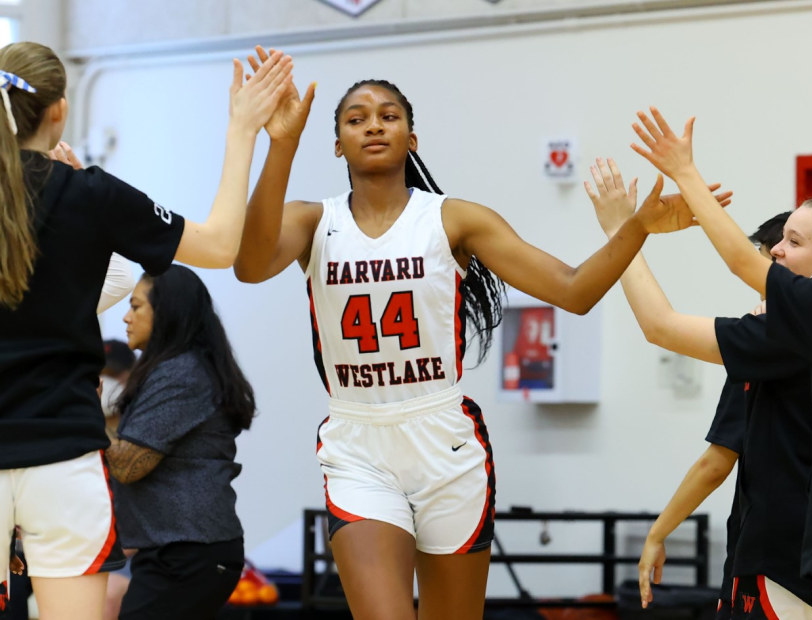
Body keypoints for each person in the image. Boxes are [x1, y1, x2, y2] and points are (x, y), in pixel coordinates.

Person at [232, 47, 713, 620]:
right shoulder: (313, 221)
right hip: (358, 442)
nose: (374, 125)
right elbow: (250, 263)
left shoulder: (454, 219)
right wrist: (280, 144)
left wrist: (637, 228)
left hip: (445, 442)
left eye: (389, 115)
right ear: (337, 144)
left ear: (413, 138)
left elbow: (575, 291)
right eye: (356, 119)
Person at [0, 40, 293, 620]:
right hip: (66, 463)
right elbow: (218, 245)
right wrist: (242, 128)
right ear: (60, 110)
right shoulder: (90, 194)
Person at [629, 108, 812, 616]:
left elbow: (662, 324)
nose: (776, 255)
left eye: (793, 242)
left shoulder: (797, 334)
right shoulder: (792, 330)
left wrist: (642, 216)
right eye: (777, 242)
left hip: (788, 561)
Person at [105, 265, 255, 620]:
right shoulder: (173, 369)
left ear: (167, 312)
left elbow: (127, 466)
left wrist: (79, 415)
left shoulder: (181, 372)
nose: (126, 317)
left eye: (136, 307)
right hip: (179, 552)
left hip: (189, 555)